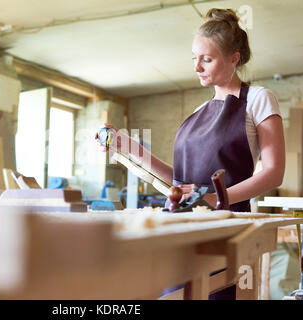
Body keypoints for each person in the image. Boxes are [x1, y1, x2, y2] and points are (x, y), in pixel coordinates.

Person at [96, 8, 285, 299]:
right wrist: (129, 147)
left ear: (234, 58)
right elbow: (180, 179)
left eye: (206, 59)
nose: (197, 67)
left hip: (224, 230)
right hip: (180, 228)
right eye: (194, 58)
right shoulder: (198, 112)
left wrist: (215, 198)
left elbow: (274, 172)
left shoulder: (258, 99)